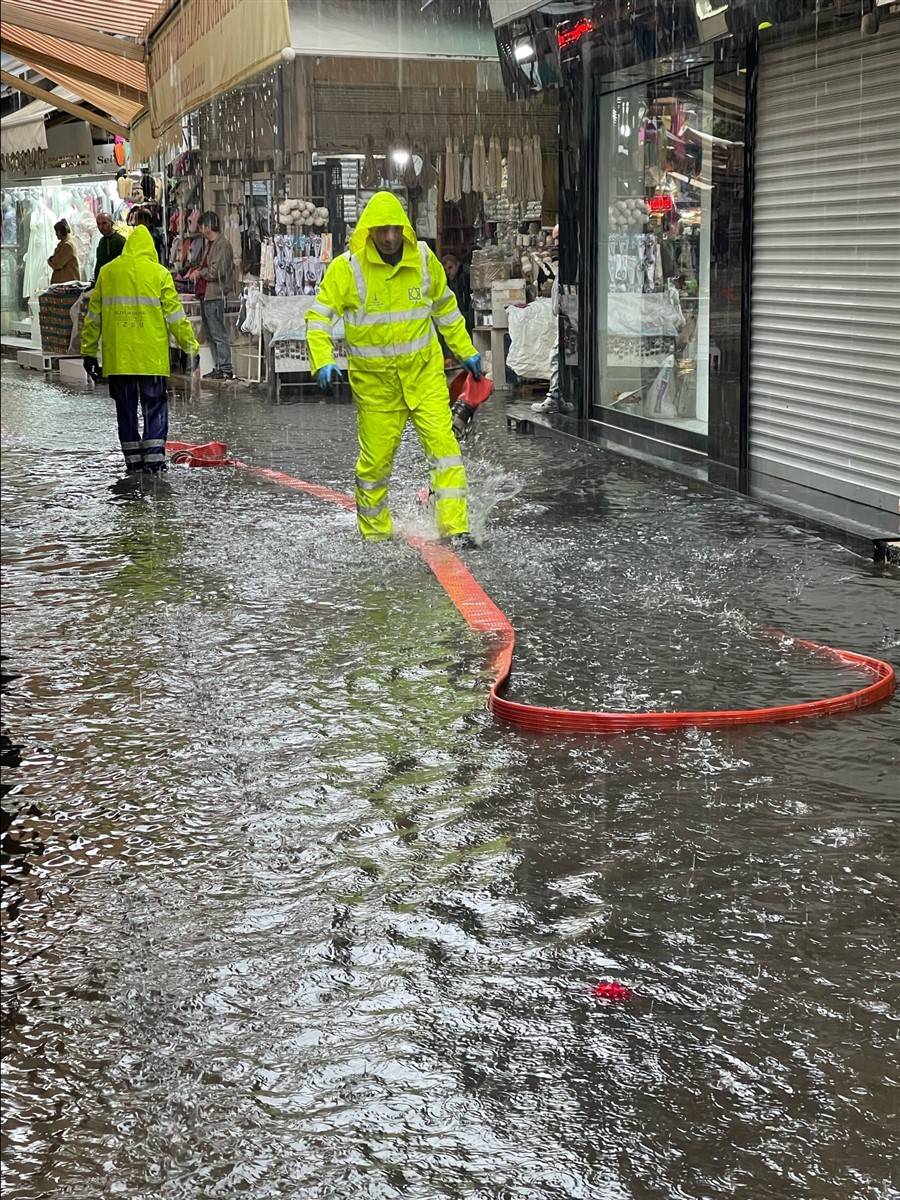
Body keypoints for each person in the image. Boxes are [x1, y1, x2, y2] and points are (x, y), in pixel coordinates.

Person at [306, 191, 482, 548]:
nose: (388, 237)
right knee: (374, 468)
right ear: (369, 230)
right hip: (377, 389)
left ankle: (456, 529)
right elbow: (319, 318)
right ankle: (376, 533)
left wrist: (466, 351)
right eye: (381, 230)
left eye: (394, 229)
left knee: (445, 450)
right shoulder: (347, 269)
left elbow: (445, 308)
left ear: (404, 229)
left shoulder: (422, 259)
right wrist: (322, 359)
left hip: (424, 377)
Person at [81, 224, 199, 476]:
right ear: (151, 250)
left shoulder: (108, 273)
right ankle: (154, 464)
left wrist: (88, 351)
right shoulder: (159, 274)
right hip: (151, 359)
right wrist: (190, 347)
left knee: (125, 410)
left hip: (118, 360)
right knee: (154, 407)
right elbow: (176, 317)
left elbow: (93, 318)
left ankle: (133, 463)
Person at [531, 224, 573, 415]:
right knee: (562, 356)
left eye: (557, 239)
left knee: (557, 356)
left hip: (570, 317)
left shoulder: (571, 260)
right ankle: (560, 395)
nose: (554, 243)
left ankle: (555, 396)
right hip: (567, 316)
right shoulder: (566, 260)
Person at [189, 210, 234, 380]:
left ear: (208, 227)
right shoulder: (210, 244)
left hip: (215, 295)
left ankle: (225, 368)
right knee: (210, 333)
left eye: (201, 227)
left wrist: (200, 273)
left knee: (218, 332)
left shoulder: (223, 245)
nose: (200, 230)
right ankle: (219, 367)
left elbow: (216, 272)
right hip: (207, 295)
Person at [93, 212, 126, 284]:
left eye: (104, 223)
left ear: (111, 223)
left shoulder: (120, 241)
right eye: (98, 224)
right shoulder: (102, 241)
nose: (101, 227)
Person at [441, 252, 472, 330]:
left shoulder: (465, 276)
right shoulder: (447, 281)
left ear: (457, 264)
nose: (448, 272)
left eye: (450, 267)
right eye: (445, 269)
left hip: (467, 315)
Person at [47, 219, 80, 283]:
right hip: (64, 283)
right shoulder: (64, 244)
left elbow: (57, 263)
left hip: (67, 283)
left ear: (61, 232)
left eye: (57, 232)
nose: (56, 234)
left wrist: (50, 260)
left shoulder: (67, 245)